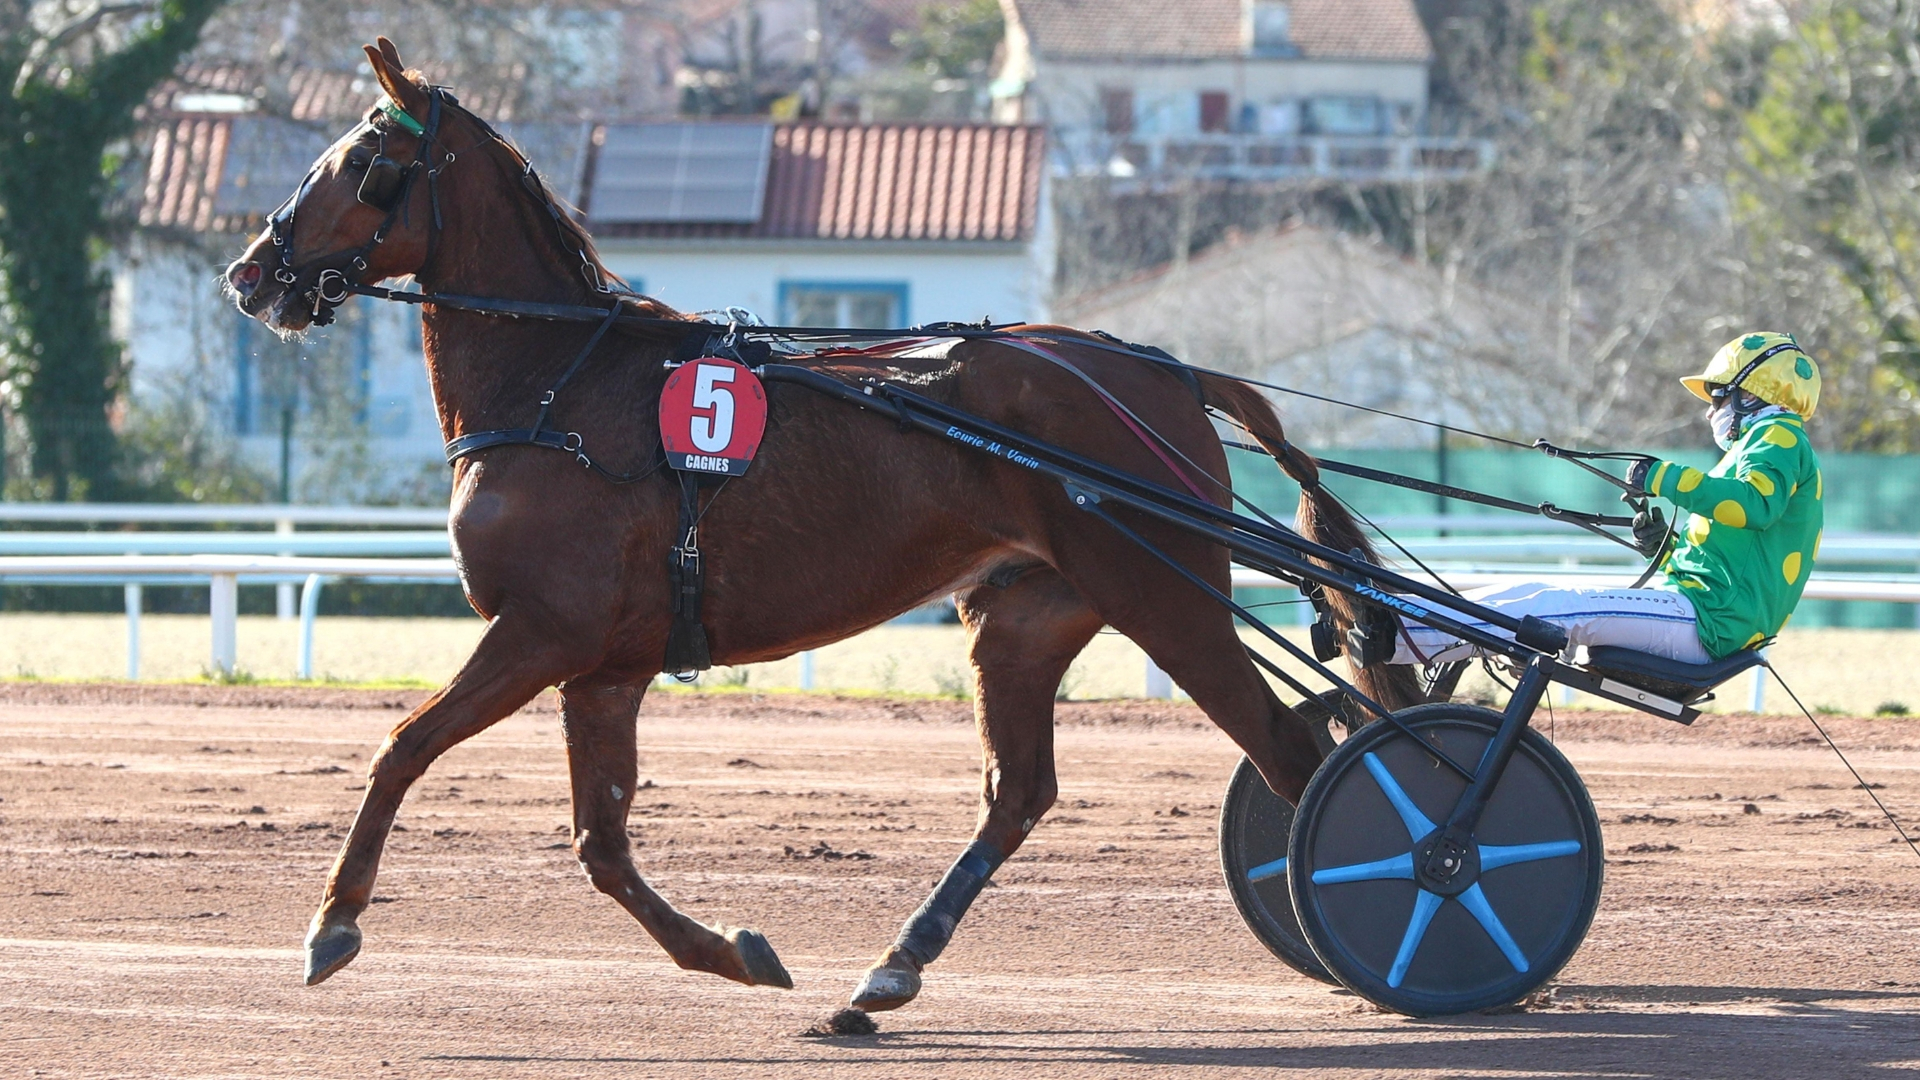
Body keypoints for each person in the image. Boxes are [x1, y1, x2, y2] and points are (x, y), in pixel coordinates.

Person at [1390, 332, 1824, 666]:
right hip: (1704, 613)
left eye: (1717, 395)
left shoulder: (1779, 435)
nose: (1710, 411)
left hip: (1707, 623)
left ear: (1752, 394)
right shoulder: (1758, 447)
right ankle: (1404, 620)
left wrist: (1664, 476)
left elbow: (1754, 506)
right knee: (1535, 594)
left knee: (1558, 609)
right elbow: (1734, 561)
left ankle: (1398, 638)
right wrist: (1666, 548)